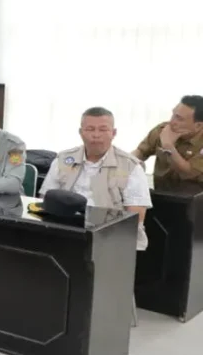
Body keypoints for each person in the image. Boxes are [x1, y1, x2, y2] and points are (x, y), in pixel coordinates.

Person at [40, 107, 151, 250]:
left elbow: (135, 218)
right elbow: (46, 199)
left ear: (113, 133)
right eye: (90, 129)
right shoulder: (64, 159)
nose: (96, 135)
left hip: (111, 239)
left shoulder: (130, 166)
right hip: (66, 232)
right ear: (81, 133)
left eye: (103, 129)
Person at [133, 95, 203, 187]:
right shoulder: (162, 129)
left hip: (195, 195)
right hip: (161, 191)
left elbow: (188, 172)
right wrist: (128, 162)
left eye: (179, 118)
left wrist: (168, 146)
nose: (172, 121)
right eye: (173, 115)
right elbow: (141, 152)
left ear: (198, 125)